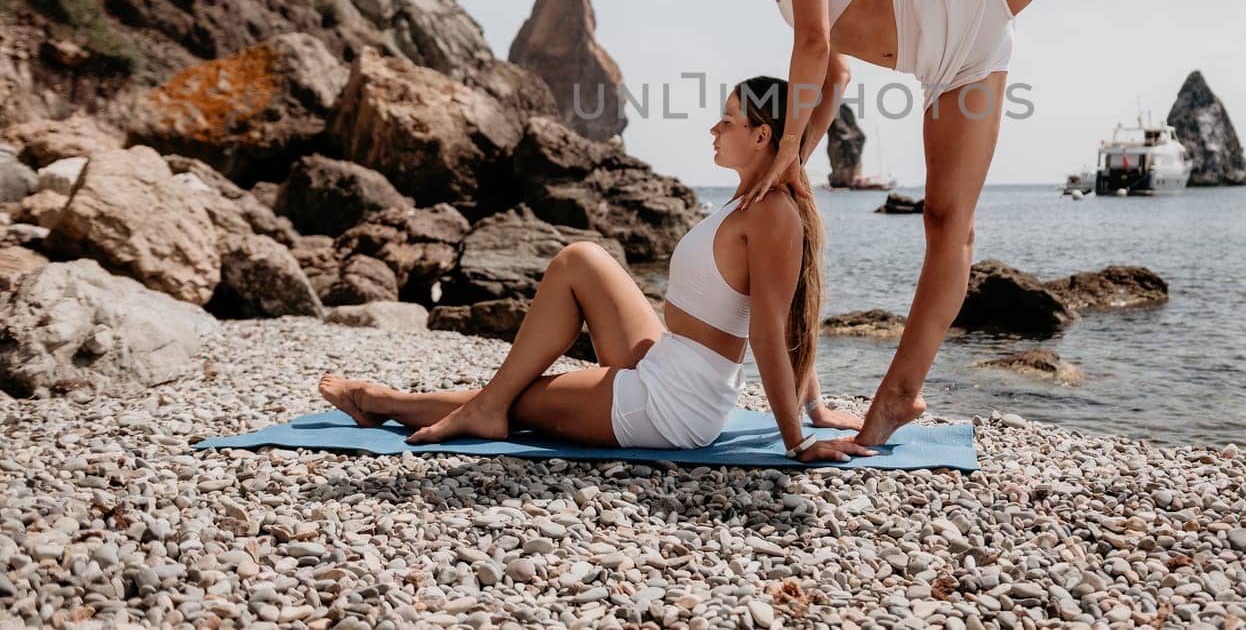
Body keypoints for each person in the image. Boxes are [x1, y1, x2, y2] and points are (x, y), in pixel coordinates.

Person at [711, 0, 1167, 444]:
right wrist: (800, 158)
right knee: (946, 225)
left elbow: (814, 38)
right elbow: (834, 71)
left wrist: (789, 146)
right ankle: (900, 395)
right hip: (950, 63)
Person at [318, 76, 876, 463]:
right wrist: (816, 404)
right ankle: (481, 404)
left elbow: (775, 329)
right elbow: (788, 319)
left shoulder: (774, 212)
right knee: (580, 258)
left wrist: (797, 438)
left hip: (674, 404)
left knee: (521, 400)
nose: (713, 130)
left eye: (726, 121)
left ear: (760, 136)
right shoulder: (750, 199)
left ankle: (380, 400)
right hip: (667, 359)